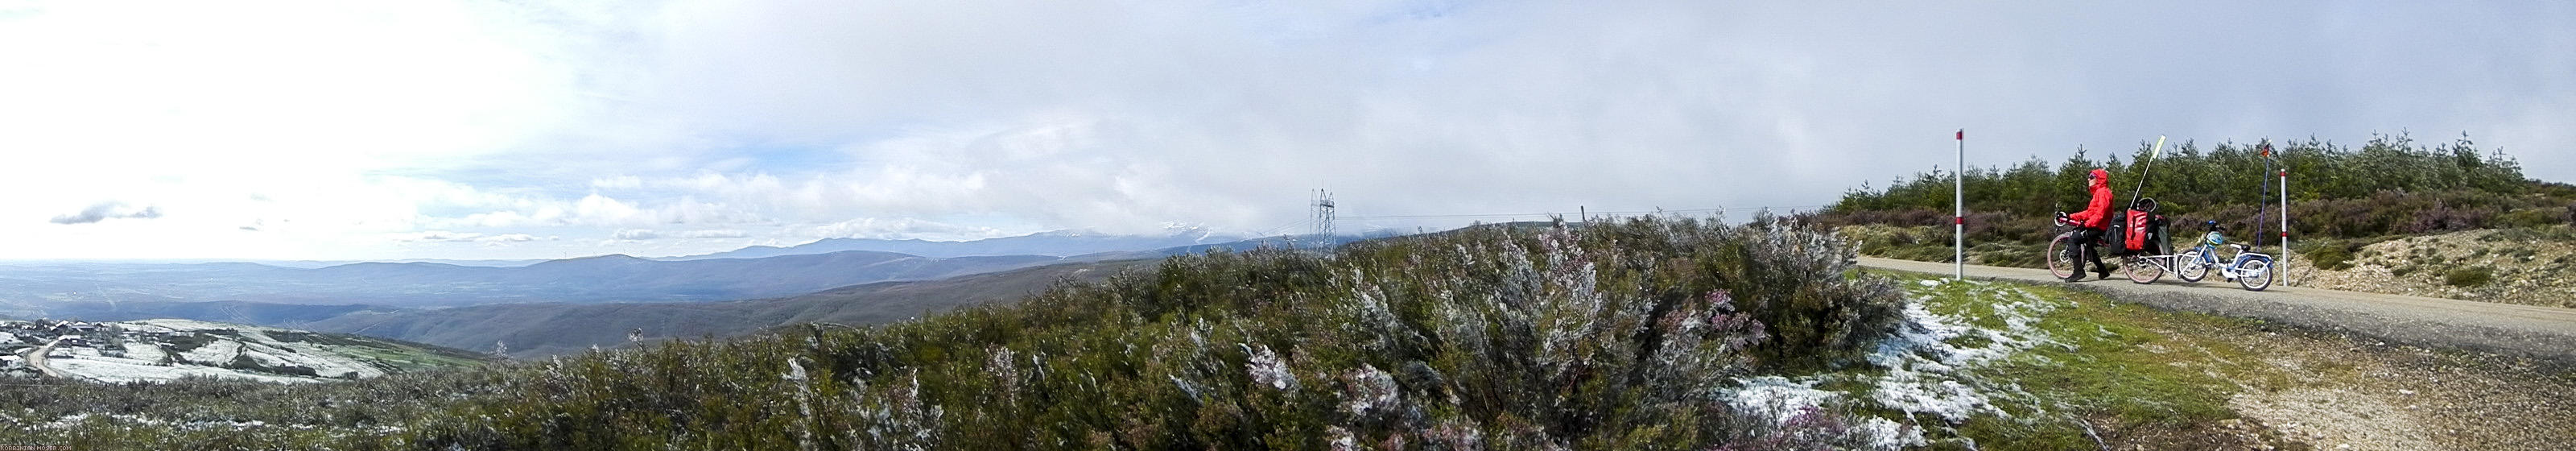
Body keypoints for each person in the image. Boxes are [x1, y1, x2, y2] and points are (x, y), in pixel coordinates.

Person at [2063, 168, 2116, 281]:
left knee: (2073, 239)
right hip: (2098, 225)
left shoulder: (2103, 193)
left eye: (2092, 176)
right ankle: (2103, 271)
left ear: (2099, 179)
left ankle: (2078, 272)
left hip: (2100, 227)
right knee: (2088, 244)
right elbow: (2090, 212)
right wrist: (2071, 216)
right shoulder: (2099, 193)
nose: (2089, 179)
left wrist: (2086, 225)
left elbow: (2100, 214)